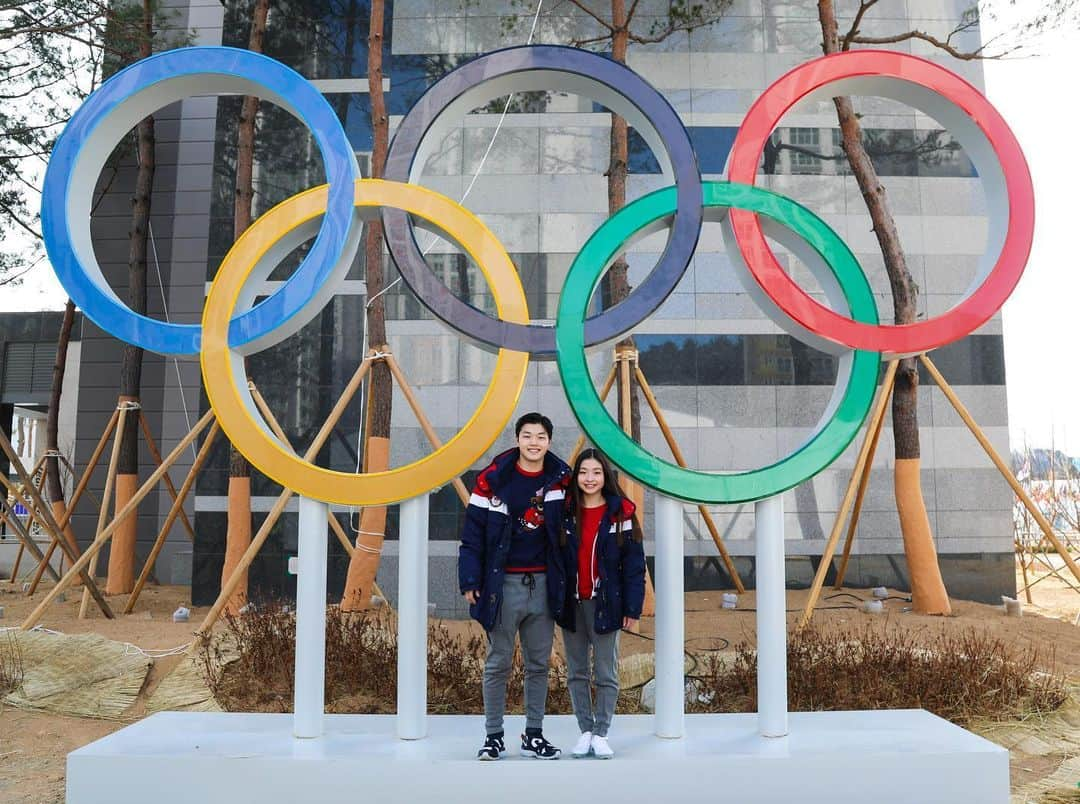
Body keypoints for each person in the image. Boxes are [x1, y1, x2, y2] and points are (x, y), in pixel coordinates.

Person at [459, 412, 571, 761]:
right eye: (527, 435)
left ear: (548, 442)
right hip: (502, 585)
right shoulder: (490, 481)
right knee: (498, 663)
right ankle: (493, 736)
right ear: (517, 439)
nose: (534, 442)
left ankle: (533, 735)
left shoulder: (561, 481)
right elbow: (472, 536)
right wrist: (470, 580)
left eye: (540, 436)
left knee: (539, 664)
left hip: (544, 585)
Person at [557, 448, 646, 760]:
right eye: (583, 473)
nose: (589, 479)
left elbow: (634, 567)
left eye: (595, 472)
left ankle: (601, 733)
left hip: (606, 604)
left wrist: (632, 610)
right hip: (572, 604)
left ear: (605, 476)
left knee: (606, 672)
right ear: (576, 477)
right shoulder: (566, 512)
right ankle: (584, 731)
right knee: (577, 671)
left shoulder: (620, 514)